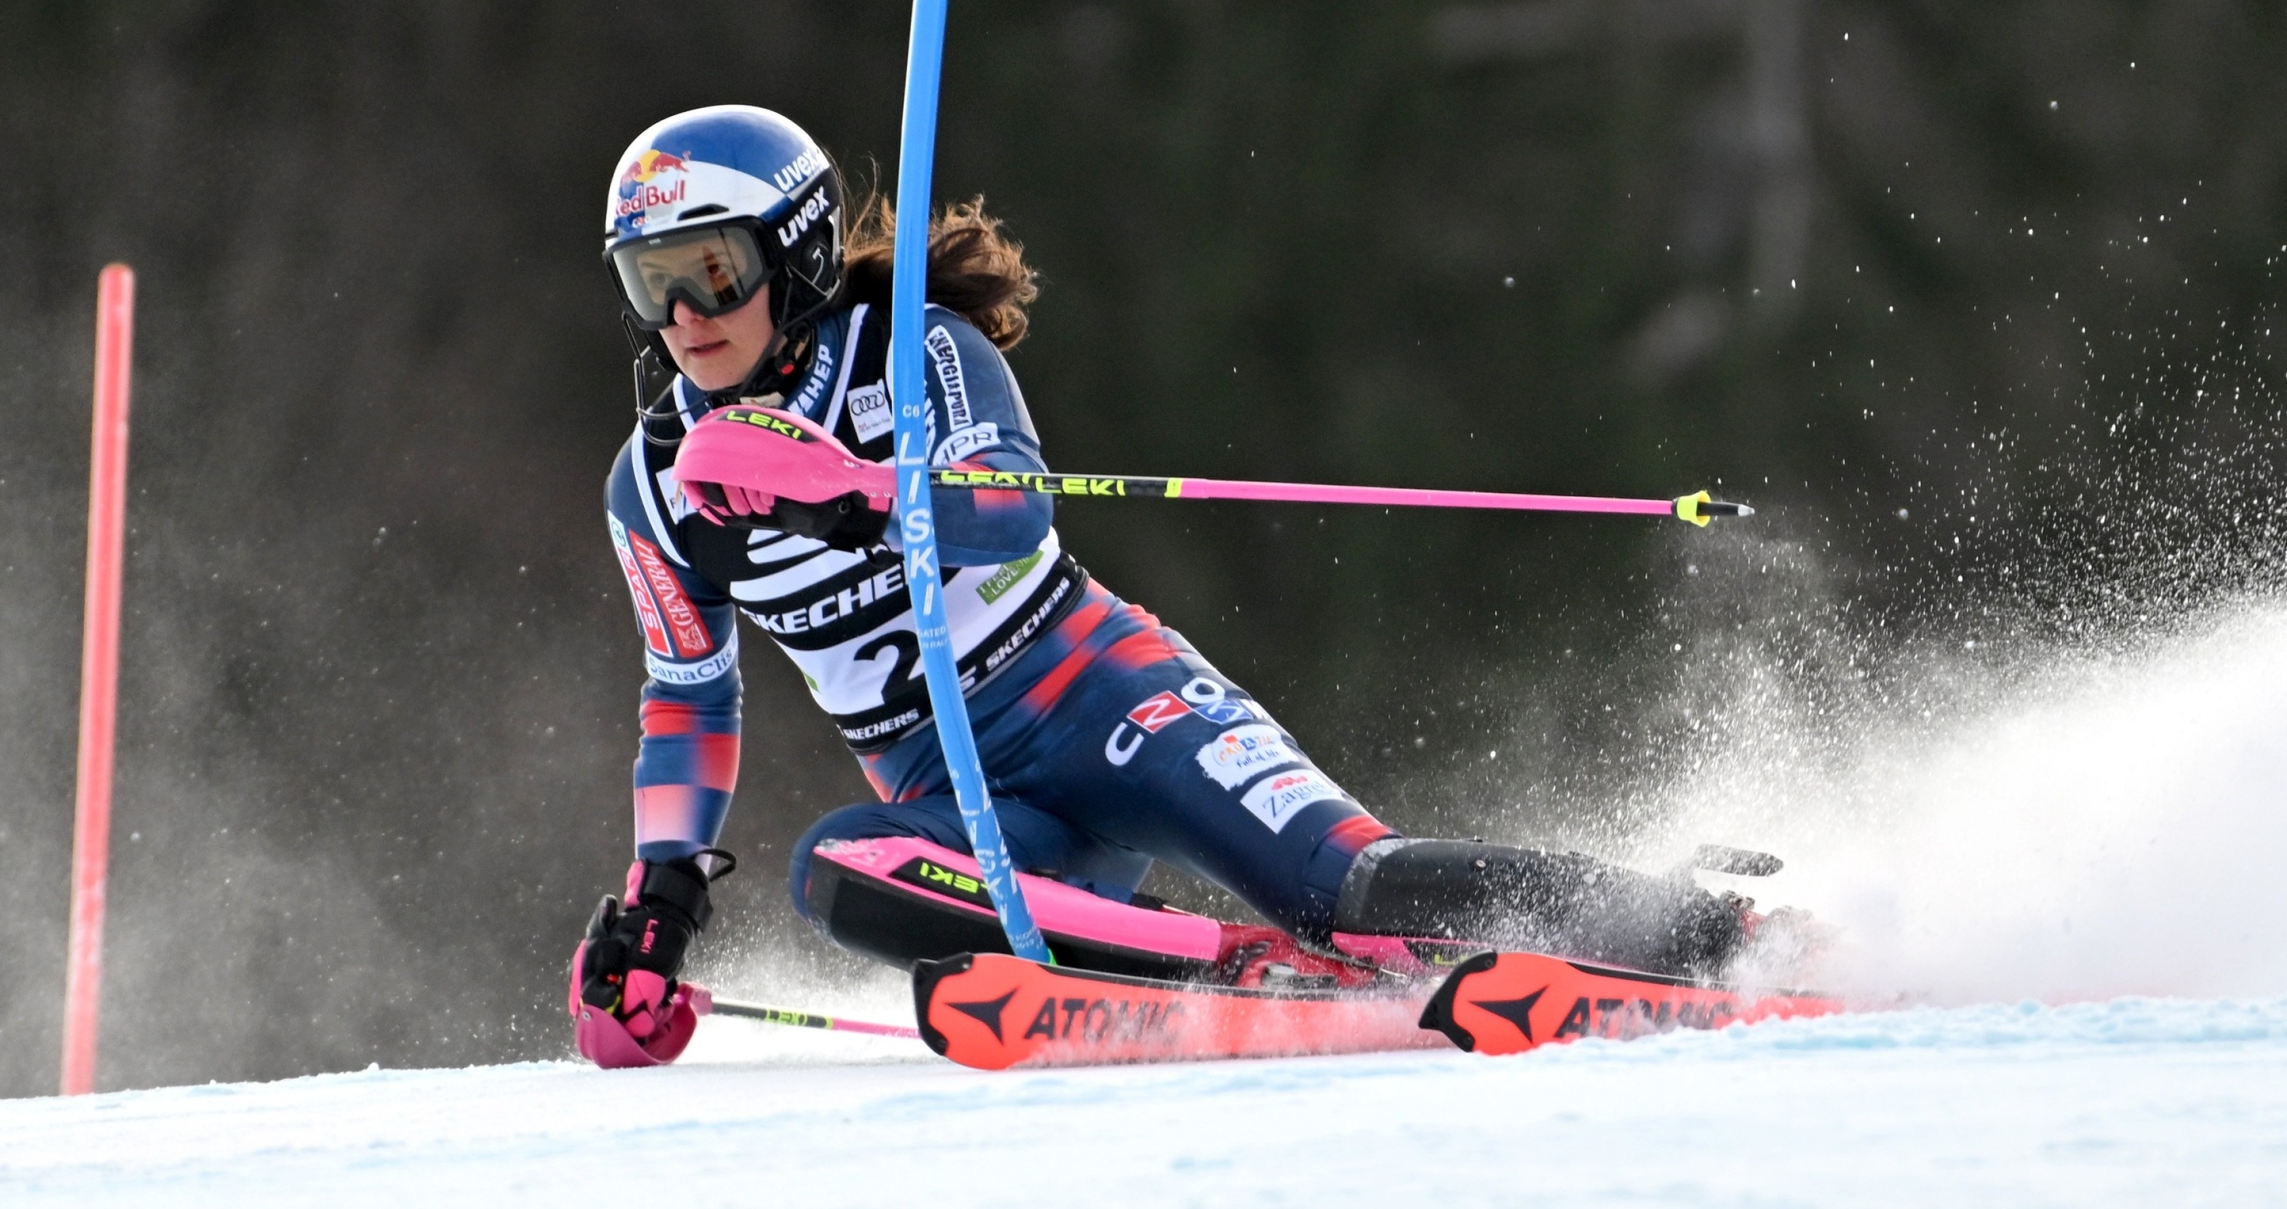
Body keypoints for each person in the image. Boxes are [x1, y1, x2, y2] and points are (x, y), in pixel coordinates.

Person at [570, 105, 1750, 1066]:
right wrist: (658, 906)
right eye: (648, 284)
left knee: (1351, 884)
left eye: (712, 272)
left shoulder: (913, 354)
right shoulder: (654, 488)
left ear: (796, 253)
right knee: (839, 869)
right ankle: (1232, 972)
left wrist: (852, 493)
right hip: (970, 798)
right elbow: (689, 698)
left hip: (1109, 702)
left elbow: (1011, 504)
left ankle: (1718, 934)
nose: (684, 318)